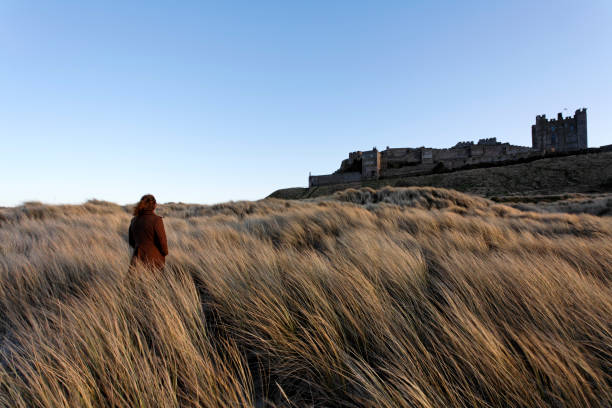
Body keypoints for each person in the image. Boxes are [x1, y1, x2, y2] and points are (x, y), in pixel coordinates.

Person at [128, 194, 168, 270]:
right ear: (154, 205)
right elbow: (162, 241)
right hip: (154, 260)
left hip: (137, 259)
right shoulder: (156, 220)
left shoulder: (134, 220)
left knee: (134, 281)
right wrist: (164, 253)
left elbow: (131, 241)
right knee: (154, 281)